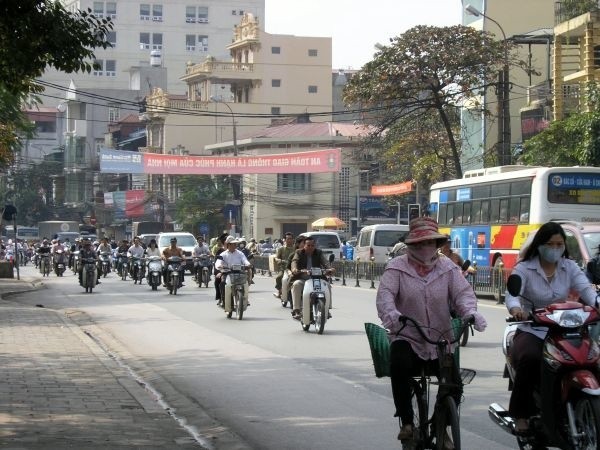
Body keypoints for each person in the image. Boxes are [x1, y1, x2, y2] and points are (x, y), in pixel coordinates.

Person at [375, 216, 486, 442]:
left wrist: (470, 313)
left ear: (436, 244)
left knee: (454, 383)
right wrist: (394, 316)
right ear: (410, 245)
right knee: (399, 364)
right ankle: (407, 420)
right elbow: (385, 297)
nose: (425, 248)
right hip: (407, 334)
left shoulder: (448, 268)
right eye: (419, 243)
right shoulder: (396, 267)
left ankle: (441, 426)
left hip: (440, 338)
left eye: (429, 243)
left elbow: (463, 295)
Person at [504, 221, 597, 434]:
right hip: (533, 329)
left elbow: (587, 291)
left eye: (559, 244)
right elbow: (512, 296)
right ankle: (521, 414)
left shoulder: (570, 266)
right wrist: (517, 310)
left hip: (566, 329)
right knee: (530, 359)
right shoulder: (524, 268)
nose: (555, 249)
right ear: (539, 245)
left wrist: (597, 304)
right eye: (550, 244)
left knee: (593, 358)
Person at [290, 236, 334, 320]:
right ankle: (296, 310)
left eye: (312, 245)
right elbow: (294, 261)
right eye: (308, 245)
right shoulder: (299, 252)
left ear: (315, 246)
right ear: (304, 246)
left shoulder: (319, 252)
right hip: (303, 279)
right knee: (296, 284)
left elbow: (325, 262)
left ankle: (327, 309)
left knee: (328, 285)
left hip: (317, 279)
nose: (310, 247)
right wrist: (294, 269)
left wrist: (329, 268)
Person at [214, 236, 252, 313]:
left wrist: (248, 264)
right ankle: (226, 305)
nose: (234, 245)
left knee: (246, 285)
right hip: (227, 273)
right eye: (232, 244)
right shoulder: (223, 254)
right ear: (228, 245)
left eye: (235, 244)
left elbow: (245, 260)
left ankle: (245, 301)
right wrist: (220, 266)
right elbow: (218, 262)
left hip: (239, 273)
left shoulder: (240, 253)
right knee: (225, 285)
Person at [273, 232, 295, 298]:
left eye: (290, 238)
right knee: (279, 277)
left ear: (293, 239)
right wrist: (278, 260)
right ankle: (279, 291)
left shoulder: (296, 249)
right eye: (287, 239)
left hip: (293, 268)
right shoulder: (281, 249)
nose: (289, 240)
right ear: (285, 240)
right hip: (284, 268)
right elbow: (276, 257)